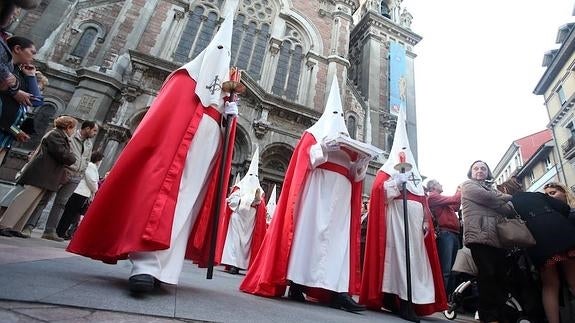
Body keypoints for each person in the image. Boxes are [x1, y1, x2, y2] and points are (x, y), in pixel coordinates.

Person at [67, 8, 239, 294]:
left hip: (206, 153)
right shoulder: (184, 79)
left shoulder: (225, 93)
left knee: (187, 204)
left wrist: (229, 115)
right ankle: (144, 265)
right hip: (172, 152)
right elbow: (160, 121)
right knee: (161, 198)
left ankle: (166, 269)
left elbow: (223, 127)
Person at [240, 77, 375, 312]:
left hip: (341, 200)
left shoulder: (350, 146)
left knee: (338, 243)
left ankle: (336, 290)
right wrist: (324, 148)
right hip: (316, 195)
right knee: (309, 236)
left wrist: (362, 162)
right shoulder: (313, 136)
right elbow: (306, 161)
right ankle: (297, 283)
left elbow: (355, 176)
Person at [360, 110, 446, 323]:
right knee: (398, 258)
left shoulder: (415, 173)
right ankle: (400, 298)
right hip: (396, 221)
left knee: (415, 261)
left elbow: (423, 200)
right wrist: (396, 182)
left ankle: (414, 300)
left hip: (415, 225)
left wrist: (427, 220)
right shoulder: (387, 170)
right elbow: (380, 193)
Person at [499, 178, 575, 323]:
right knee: (573, 282)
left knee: (550, 285)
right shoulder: (538, 195)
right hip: (564, 235)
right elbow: (564, 208)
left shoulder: (509, 204)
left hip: (541, 242)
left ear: (505, 191)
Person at [21, 120, 98, 241]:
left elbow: (87, 159)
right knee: (44, 199)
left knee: (62, 203)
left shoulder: (89, 143)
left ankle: (50, 230)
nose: (95, 133)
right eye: (94, 130)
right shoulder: (70, 136)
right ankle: (28, 226)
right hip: (62, 171)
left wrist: (81, 172)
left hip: (76, 176)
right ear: (87, 128)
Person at [0, 116, 77, 237]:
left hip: (46, 174)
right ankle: (5, 224)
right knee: (24, 200)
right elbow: (64, 155)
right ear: (68, 127)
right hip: (40, 172)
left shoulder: (61, 136)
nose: (74, 131)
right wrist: (72, 157)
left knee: (32, 203)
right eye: (73, 128)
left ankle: (16, 227)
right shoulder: (55, 135)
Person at [460, 160, 515, 323]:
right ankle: (488, 316)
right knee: (487, 275)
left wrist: (498, 199)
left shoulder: (493, 189)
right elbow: (488, 198)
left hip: (498, 238)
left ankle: (501, 315)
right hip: (479, 236)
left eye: (483, 168)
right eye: (476, 168)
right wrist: (509, 196)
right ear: (471, 172)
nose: (479, 171)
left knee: (500, 277)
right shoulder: (468, 185)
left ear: (488, 172)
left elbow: (509, 209)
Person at [215, 147, 266, 275]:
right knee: (234, 241)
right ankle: (233, 264)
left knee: (245, 244)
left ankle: (241, 264)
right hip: (238, 218)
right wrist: (245, 201)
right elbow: (232, 200)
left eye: (255, 176)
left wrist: (255, 201)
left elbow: (261, 205)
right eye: (251, 175)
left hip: (250, 222)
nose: (253, 178)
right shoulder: (239, 187)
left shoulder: (260, 190)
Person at [0, 36, 44, 163]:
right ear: (18, 49)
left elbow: (36, 101)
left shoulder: (20, 74)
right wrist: (14, 92)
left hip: (4, 138)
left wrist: (30, 77)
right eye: (32, 52)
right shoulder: (4, 68)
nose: (34, 57)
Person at [55, 150, 104, 240]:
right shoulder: (91, 166)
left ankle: (62, 230)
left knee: (71, 213)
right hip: (80, 192)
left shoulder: (91, 166)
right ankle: (61, 231)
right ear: (98, 160)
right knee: (70, 213)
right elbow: (92, 181)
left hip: (81, 192)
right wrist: (95, 188)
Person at [426, 179, 461, 295]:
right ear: (433, 187)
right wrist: (461, 190)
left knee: (452, 270)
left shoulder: (441, 200)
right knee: (445, 269)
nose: (442, 184)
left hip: (453, 234)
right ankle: (441, 297)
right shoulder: (433, 197)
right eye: (439, 183)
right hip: (446, 233)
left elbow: (455, 206)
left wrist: (458, 191)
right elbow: (455, 199)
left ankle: (448, 298)